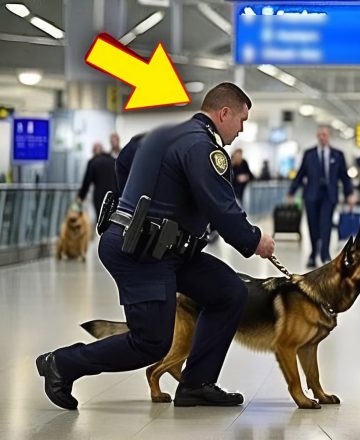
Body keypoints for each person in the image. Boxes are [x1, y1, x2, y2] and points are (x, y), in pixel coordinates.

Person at [36, 82, 275, 410]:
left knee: (229, 291)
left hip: (168, 249)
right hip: (141, 253)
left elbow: (125, 160)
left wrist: (139, 204)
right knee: (151, 342)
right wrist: (254, 239)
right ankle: (62, 363)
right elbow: (221, 207)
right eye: (241, 120)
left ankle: (197, 384)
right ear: (224, 113)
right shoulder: (202, 147)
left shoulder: (166, 135)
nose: (241, 129)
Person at [288, 125, 355, 268]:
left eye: (324, 135)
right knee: (312, 225)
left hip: (329, 196)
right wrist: (291, 192)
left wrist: (349, 194)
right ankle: (313, 253)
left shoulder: (337, 155)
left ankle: (325, 254)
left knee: (326, 224)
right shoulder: (309, 154)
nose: (322, 137)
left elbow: (344, 177)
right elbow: (300, 174)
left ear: (329, 136)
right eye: (319, 135)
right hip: (311, 195)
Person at [77, 142, 117, 220]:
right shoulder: (113, 161)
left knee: (100, 219)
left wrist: (81, 196)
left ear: (94, 151)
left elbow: (87, 181)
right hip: (113, 195)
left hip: (99, 196)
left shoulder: (93, 162)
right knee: (111, 219)